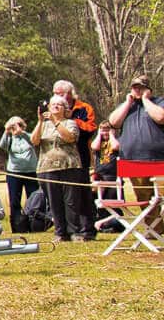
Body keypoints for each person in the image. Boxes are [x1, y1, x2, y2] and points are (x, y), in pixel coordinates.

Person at [106, 75, 164, 238]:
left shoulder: (158, 102)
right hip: (133, 161)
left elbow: (160, 117)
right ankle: (154, 231)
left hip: (159, 160)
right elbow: (113, 122)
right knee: (144, 197)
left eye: (140, 87)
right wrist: (128, 102)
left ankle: (156, 229)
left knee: (160, 197)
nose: (137, 90)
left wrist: (145, 100)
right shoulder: (127, 106)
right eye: (134, 87)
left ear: (148, 89)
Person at [30, 95, 89, 242]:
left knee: (71, 201)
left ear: (65, 109)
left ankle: (74, 231)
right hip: (47, 169)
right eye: (53, 104)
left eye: (59, 105)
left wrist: (56, 121)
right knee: (54, 201)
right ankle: (60, 232)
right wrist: (40, 121)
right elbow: (34, 141)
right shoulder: (43, 125)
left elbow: (70, 138)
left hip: (69, 166)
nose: (55, 107)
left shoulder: (70, 123)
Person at [0, 115, 38, 234]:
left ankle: (33, 224)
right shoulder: (10, 138)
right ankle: (17, 226)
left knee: (33, 199)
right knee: (14, 200)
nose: (16, 128)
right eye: (14, 125)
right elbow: (2, 145)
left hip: (30, 172)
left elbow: (33, 142)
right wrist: (6, 131)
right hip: (14, 172)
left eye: (19, 124)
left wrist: (22, 133)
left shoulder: (28, 136)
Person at [54, 79, 98, 157]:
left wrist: (72, 120)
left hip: (80, 153)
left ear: (69, 94)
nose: (56, 97)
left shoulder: (84, 108)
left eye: (59, 94)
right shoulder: (52, 108)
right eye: (54, 94)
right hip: (56, 155)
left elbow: (91, 130)